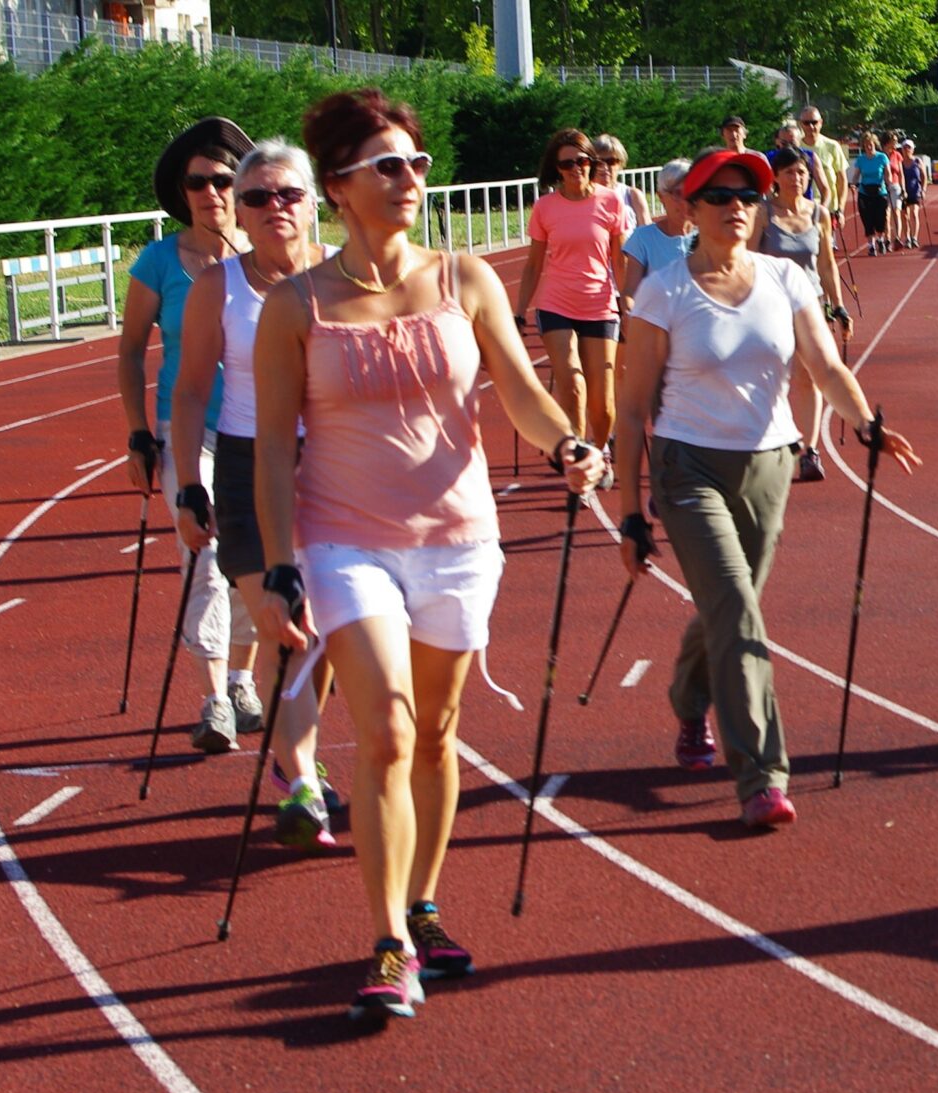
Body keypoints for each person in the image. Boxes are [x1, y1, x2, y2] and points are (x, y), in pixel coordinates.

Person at [251, 88, 604, 1021]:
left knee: (439, 734)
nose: (411, 179)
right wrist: (279, 561)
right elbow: (276, 450)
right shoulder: (295, 306)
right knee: (388, 733)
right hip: (343, 542)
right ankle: (388, 940)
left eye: (416, 163)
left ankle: (424, 900)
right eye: (388, 166)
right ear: (340, 187)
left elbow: (523, 396)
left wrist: (569, 440)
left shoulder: (465, 279)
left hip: (459, 538)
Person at [615, 148, 919, 829]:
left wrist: (865, 424)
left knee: (731, 603)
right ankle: (762, 775)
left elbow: (825, 363)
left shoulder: (785, 278)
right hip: (687, 466)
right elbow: (632, 408)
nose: (736, 206)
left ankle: (689, 697)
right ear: (689, 209)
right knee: (737, 609)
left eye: (747, 195)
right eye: (719, 195)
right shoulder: (663, 290)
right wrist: (631, 514)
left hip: (769, 463)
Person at [169, 138, 342, 849]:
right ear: (237, 209)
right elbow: (186, 394)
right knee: (281, 622)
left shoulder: (342, 276)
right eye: (256, 197)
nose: (274, 208)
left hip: (333, 464)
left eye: (288, 194)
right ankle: (300, 777)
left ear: (314, 200)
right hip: (244, 467)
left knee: (325, 631)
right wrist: (186, 484)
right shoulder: (221, 286)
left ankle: (293, 753)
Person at [117, 116, 263, 754]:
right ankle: (213, 701)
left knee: (255, 560)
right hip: (188, 431)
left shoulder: (266, 260)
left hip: (257, 429)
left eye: (224, 180)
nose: (211, 192)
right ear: (183, 192)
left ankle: (241, 681)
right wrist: (137, 435)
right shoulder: (158, 262)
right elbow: (128, 353)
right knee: (203, 558)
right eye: (198, 182)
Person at [514, 128, 630, 473]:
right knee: (572, 383)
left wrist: (626, 301)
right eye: (567, 164)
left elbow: (619, 259)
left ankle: (601, 452)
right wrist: (519, 312)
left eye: (581, 161)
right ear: (557, 168)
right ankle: (580, 458)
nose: (575, 168)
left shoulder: (610, 201)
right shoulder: (545, 207)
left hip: (600, 304)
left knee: (603, 400)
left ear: (590, 163)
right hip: (556, 304)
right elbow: (534, 264)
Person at [753, 147, 854, 482]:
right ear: (775, 178)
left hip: (810, 304)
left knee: (808, 377)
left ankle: (809, 451)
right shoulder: (763, 213)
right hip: (770, 306)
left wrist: (838, 305)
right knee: (772, 377)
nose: (796, 179)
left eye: (801, 172)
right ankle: (771, 445)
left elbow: (825, 263)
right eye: (789, 173)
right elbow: (749, 260)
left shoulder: (818, 214)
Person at [621, 158, 695, 308]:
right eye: (677, 193)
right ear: (661, 197)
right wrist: (629, 312)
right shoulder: (643, 238)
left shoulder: (709, 234)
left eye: (690, 191)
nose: (684, 201)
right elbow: (630, 291)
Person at [795, 105, 849, 236]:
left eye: (814, 122)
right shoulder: (795, 148)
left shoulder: (832, 146)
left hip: (828, 209)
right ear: (800, 124)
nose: (811, 127)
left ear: (821, 123)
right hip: (803, 208)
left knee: (826, 249)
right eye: (806, 123)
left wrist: (840, 210)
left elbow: (842, 181)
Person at [590, 134, 650, 227]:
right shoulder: (583, 196)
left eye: (611, 162)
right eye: (599, 162)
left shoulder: (633, 196)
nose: (605, 167)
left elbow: (646, 235)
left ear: (621, 164)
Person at [848, 130, 893, 255]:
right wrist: (853, 183)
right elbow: (856, 174)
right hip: (865, 192)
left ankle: (880, 240)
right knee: (867, 220)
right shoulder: (861, 159)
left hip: (880, 191)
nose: (868, 147)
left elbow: (887, 173)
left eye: (871, 145)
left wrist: (889, 183)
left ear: (875, 144)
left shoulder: (882, 157)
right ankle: (871, 245)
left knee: (880, 220)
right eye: (866, 145)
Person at [772, 119, 830, 211]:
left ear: (799, 142)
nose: (788, 147)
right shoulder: (769, 158)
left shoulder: (810, 157)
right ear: (777, 142)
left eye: (792, 143)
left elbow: (824, 189)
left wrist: (820, 212)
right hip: (779, 212)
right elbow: (766, 191)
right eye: (784, 144)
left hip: (805, 210)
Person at [898, 138, 927, 249]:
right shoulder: (900, 163)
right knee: (905, 216)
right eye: (904, 148)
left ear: (913, 149)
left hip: (915, 191)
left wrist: (923, 190)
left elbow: (924, 177)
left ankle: (914, 237)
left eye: (909, 147)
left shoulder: (918, 162)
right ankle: (907, 238)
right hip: (904, 192)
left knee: (914, 213)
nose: (906, 150)